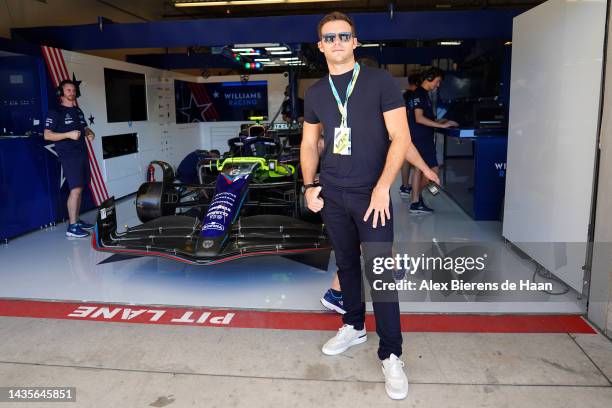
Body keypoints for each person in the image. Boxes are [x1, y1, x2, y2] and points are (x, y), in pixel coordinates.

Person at [301, 11, 439, 400]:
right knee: (344, 264)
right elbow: (310, 143)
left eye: (345, 35)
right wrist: (309, 186)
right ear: (321, 46)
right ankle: (354, 325)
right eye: (330, 37)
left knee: (380, 272)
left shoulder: (379, 82)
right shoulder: (315, 92)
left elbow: (400, 137)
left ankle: (392, 353)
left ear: (356, 42)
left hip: (371, 194)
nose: (338, 42)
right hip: (332, 192)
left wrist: (383, 188)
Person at [44, 79, 96, 238]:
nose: (72, 93)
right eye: (68, 90)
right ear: (61, 93)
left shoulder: (78, 111)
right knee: (75, 189)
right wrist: (68, 134)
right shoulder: (56, 111)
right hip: (68, 155)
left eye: (73, 90)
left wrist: (89, 132)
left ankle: (77, 220)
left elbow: (84, 126)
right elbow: (47, 135)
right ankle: (72, 227)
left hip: (81, 153)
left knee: (80, 187)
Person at [407, 68, 458, 214]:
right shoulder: (419, 94)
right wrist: (440, 125)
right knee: (433, 171)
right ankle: (415, 197)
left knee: (418, 169)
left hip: (421, 137)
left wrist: (442, 122)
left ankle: (415, 201)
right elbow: (419, 118)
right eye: (438, 81)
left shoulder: (422, 95)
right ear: (429, 77)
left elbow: (426, 118)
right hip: (420, 138)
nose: (438, 85)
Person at [399, 73, 422, 198]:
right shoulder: (415, 95)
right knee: (415, 160)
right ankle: (415, 194)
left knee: (405, 159)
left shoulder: (404, 95)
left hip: (403, 129)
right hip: (413, 129)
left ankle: (405, 186)